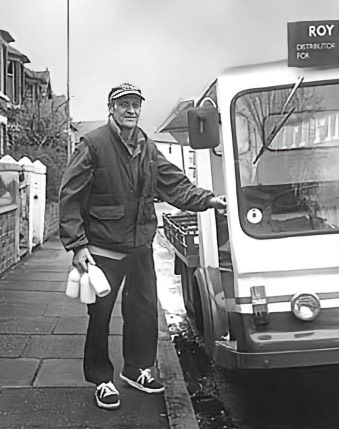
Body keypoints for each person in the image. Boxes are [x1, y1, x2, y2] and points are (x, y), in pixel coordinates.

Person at [59, 83, 226, 410]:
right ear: (112, 108)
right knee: (100, 316)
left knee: (143, 312)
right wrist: (78, 246)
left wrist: (207, 199)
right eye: (125, 105)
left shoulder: (147, 148)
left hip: (140, 246)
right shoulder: (93, 145)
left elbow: (174, 184)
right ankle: (101, 378)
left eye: (136, 104)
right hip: (104, 248)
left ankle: (136, 369)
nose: (132, 110)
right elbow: (70, 196)